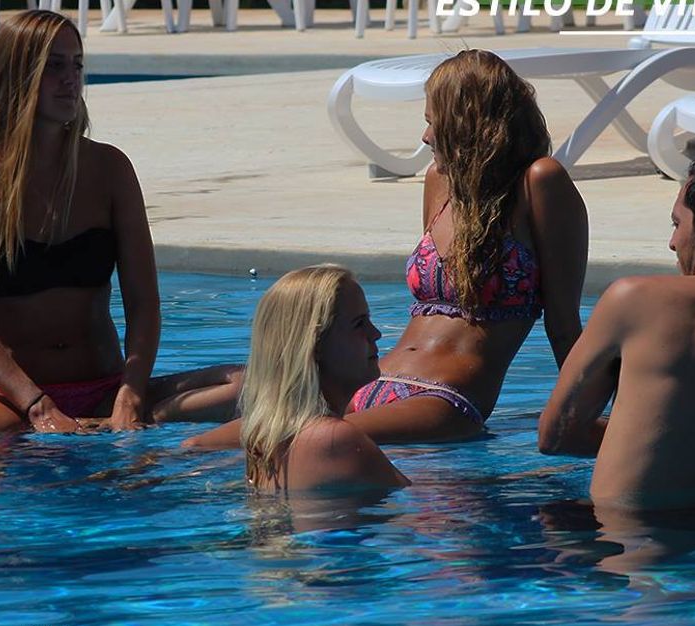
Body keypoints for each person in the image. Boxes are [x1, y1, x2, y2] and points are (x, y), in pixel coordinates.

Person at [184, 49, 588, 448]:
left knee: (292, 441)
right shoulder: (440, 182)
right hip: (368, 381)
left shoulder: (540, 182)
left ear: (470, 123)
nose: (426, 136)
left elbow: (564, 323)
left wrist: (584, 420)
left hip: (443, 400)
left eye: (434, 122)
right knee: (204, 444)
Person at [0, 10, 239, 442]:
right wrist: (37, 404)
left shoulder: (109, 169)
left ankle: (136, 432)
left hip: (106, 387)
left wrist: (131, 394)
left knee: (250, 385)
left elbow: (144, 302)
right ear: (15, 76)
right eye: (54, 66)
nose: (71, 79)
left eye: (77, 64)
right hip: (4, 394)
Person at [538, 151, 695, 511]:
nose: (672, 242)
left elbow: (556, 435)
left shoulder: (635, 299)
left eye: (676, 223)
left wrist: (650, 436)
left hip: (628, 533)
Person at [239, 264, 409, 492]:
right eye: (359, 323)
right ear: (316, 344)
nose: (375, 333)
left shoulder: (264, 441)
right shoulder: (334, 440)